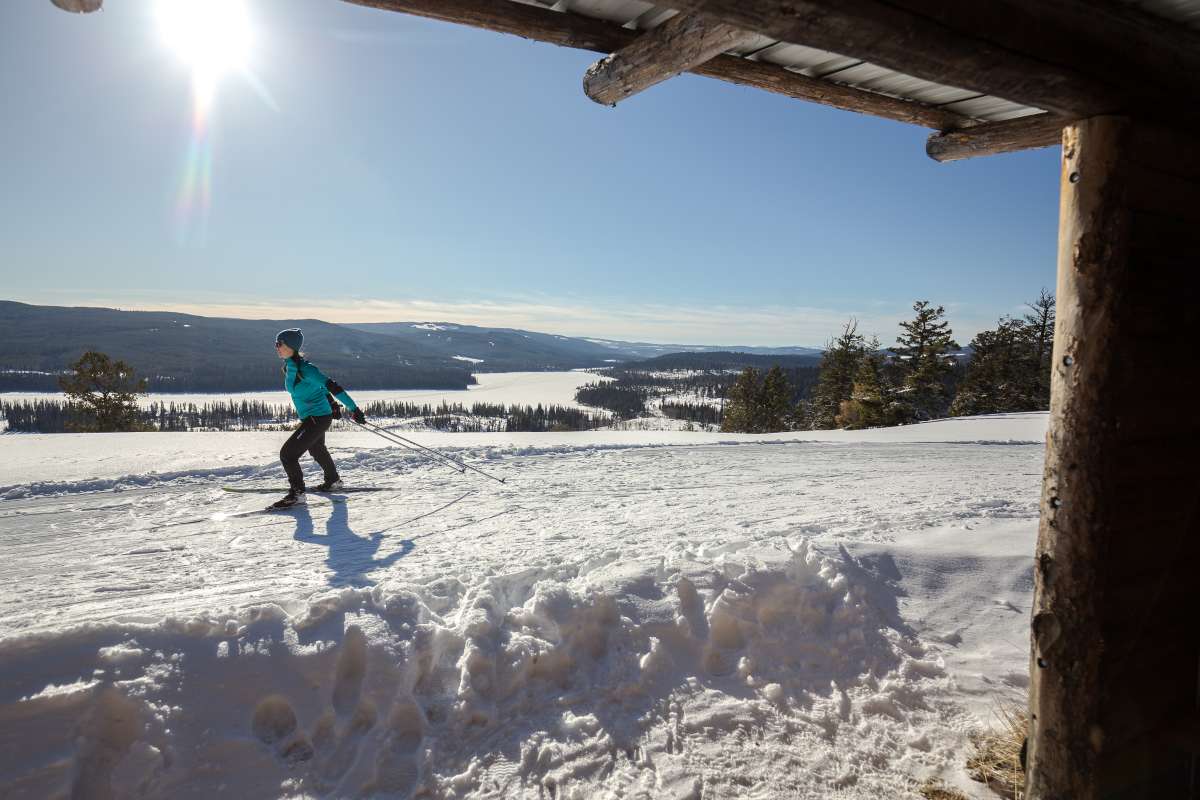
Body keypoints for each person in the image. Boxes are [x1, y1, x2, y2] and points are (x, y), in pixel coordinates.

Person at [270, 328, 366, 509]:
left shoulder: (306, 369)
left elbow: (332, 386)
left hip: (317, 418)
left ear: (290, 346)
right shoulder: (290, 367)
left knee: (287, 455)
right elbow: (320, 388)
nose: (276, 347)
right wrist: (332, 404)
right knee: (317, 449)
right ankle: (333, 481)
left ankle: (297, 495)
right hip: (315, 416)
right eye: (276, 344)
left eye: (279, 344)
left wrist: (354, 409)